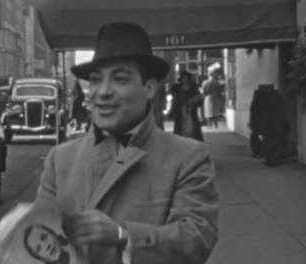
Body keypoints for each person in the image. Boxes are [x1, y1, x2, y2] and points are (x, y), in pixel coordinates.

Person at [34, 22, 218, 264]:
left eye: (119, 79)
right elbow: (39, 240)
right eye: (95, 80)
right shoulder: (60, 159)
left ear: (149, 88)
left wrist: (123, 235)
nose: (103, 91)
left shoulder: (187, 157)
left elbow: (195, 240)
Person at [169, 71, 204, 141]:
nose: (185, 80)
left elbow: (199, 99)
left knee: (193, 128)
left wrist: (195, 100)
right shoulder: (176, 89)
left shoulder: (194, 88)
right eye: (183, 78)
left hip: (191, 111)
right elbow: (174, 99)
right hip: (180, 111)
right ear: (181, 79)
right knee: (180, 128)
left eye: (186, 78)